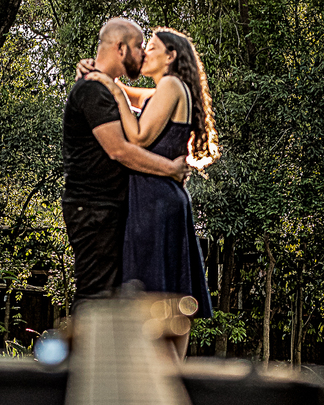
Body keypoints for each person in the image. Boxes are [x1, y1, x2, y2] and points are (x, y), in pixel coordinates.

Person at [80, 27, 221, 359]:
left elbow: (139, 138)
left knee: (153, 304)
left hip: (154, 202)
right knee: (172, 306)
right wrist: (103, 77)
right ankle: (175, 380)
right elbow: (131, 94)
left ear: (171, 57)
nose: (144, 54)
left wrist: (113, 93)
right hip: (164, 199)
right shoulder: (166, 90)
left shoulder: (171, 85)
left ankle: (163, 385)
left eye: (152, 48)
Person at [62, 18, 189, 310]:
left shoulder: (106, 89)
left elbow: (149, 108)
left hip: (112, 209)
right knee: (95, 295)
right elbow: (120, 149)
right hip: (93, 208)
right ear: (121, 48)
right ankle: (80, 356)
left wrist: (113, 83)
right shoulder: (93, 91)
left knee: (112, 300)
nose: (143, 54)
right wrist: (170, 169)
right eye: (139, 47)